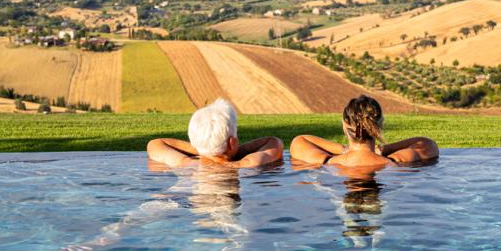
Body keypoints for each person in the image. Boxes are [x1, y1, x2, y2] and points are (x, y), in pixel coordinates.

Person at [290, 94, 438, 169]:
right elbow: (427, 144)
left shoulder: (327, 162)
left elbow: (300, 140)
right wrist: (383, 149)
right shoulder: (394, 162)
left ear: (344, 126)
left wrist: (344, 151)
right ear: (379, 127)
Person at [147, 98, 283, 168]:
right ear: (232, 142)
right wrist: (232, 149)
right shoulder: (247, 164)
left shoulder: (185, 163)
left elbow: (155, 143)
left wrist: (204, 148)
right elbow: (274, 142)